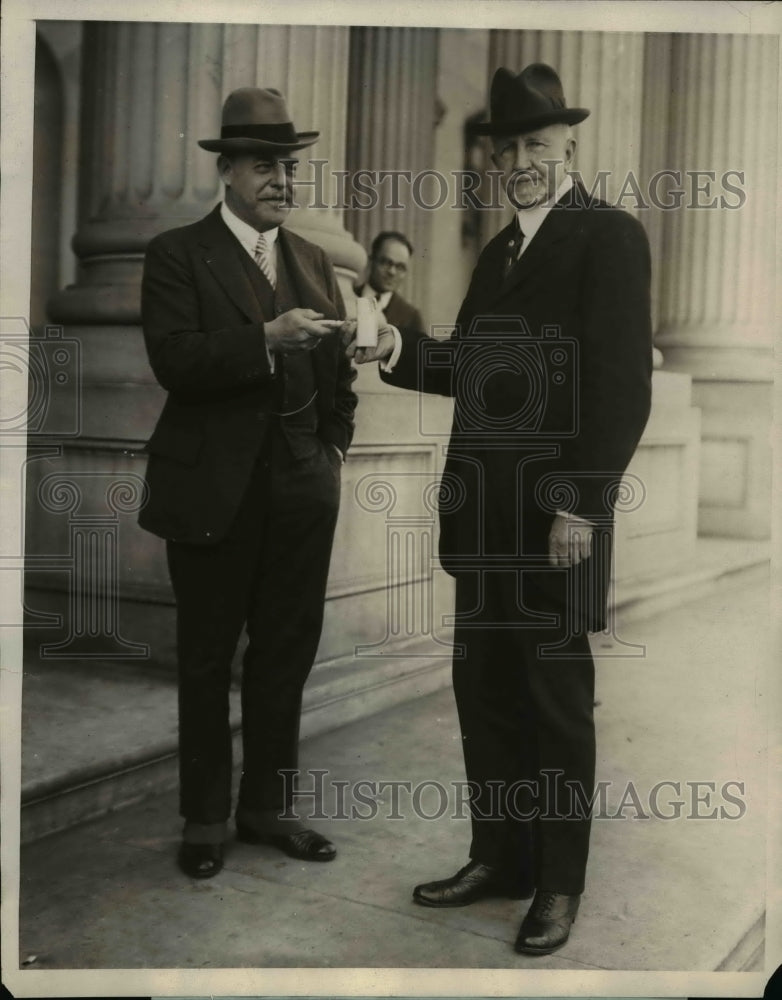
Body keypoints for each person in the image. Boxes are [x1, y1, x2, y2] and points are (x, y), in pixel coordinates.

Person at [350, 64, 652, 955]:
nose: (518, 162)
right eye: (505, 148)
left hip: (556, 526)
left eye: (535, 145)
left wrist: (581, 508)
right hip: (482, 520)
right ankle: (500, 859)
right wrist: (397, 345)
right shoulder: (499, 254)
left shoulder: (608, 237)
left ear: (570, 145)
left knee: (555, 704)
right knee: (485, 693)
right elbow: (474, 368)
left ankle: (558, 884)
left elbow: (621, 389)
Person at [139, 87, 357, 879]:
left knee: (285, 653)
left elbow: (338, 379)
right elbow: (174, 360)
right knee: (206, 658)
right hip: (212, 491)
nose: (281, 180)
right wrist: (264, 336)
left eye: (288, 166)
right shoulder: (176, 253)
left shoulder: (313, 261)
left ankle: (268, 808)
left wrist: (330, 452)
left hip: (301, 488)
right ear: (226, 170)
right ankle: (205, 820)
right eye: (264, 165)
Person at [355, 231, 424, 335]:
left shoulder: (412, 317)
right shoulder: (348, 297)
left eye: (400, 267)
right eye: (386, 262)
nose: (392, 272)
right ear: (371, 261)